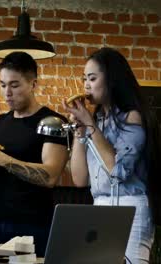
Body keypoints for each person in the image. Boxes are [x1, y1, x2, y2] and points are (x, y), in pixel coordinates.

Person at [63, 47, 160, 264]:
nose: (86, 85)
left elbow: (119, 170)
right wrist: (80, 131)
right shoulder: (96, 122)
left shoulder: (132, 116)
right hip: (100, 206)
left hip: (131, 208)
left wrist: (89, 124)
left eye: (92, 78)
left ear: (112, 79)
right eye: (84, 79)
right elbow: (79, 179)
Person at [0, 52, 69, 256]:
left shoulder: (53, 122)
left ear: (33, 84)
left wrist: (3, 159)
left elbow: (50, 176)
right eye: (2, 85)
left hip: (35, 225)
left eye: (14, 85)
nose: (7, 93)